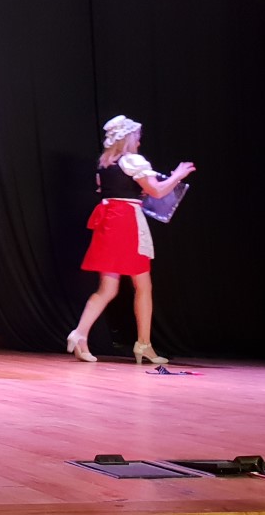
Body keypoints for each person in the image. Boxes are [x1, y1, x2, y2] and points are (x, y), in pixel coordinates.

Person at [67, 115, 195, 364]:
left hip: (110, 221)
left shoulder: (105, 164)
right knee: (143, 285)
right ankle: (143, 344)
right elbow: (157, 191)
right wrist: (178, 175)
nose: (139, 141)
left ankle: (80, 333)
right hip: (126, 224)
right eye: (136, 137)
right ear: (128, 138)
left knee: (108, 288)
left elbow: (123, 190)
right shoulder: (133, 161)